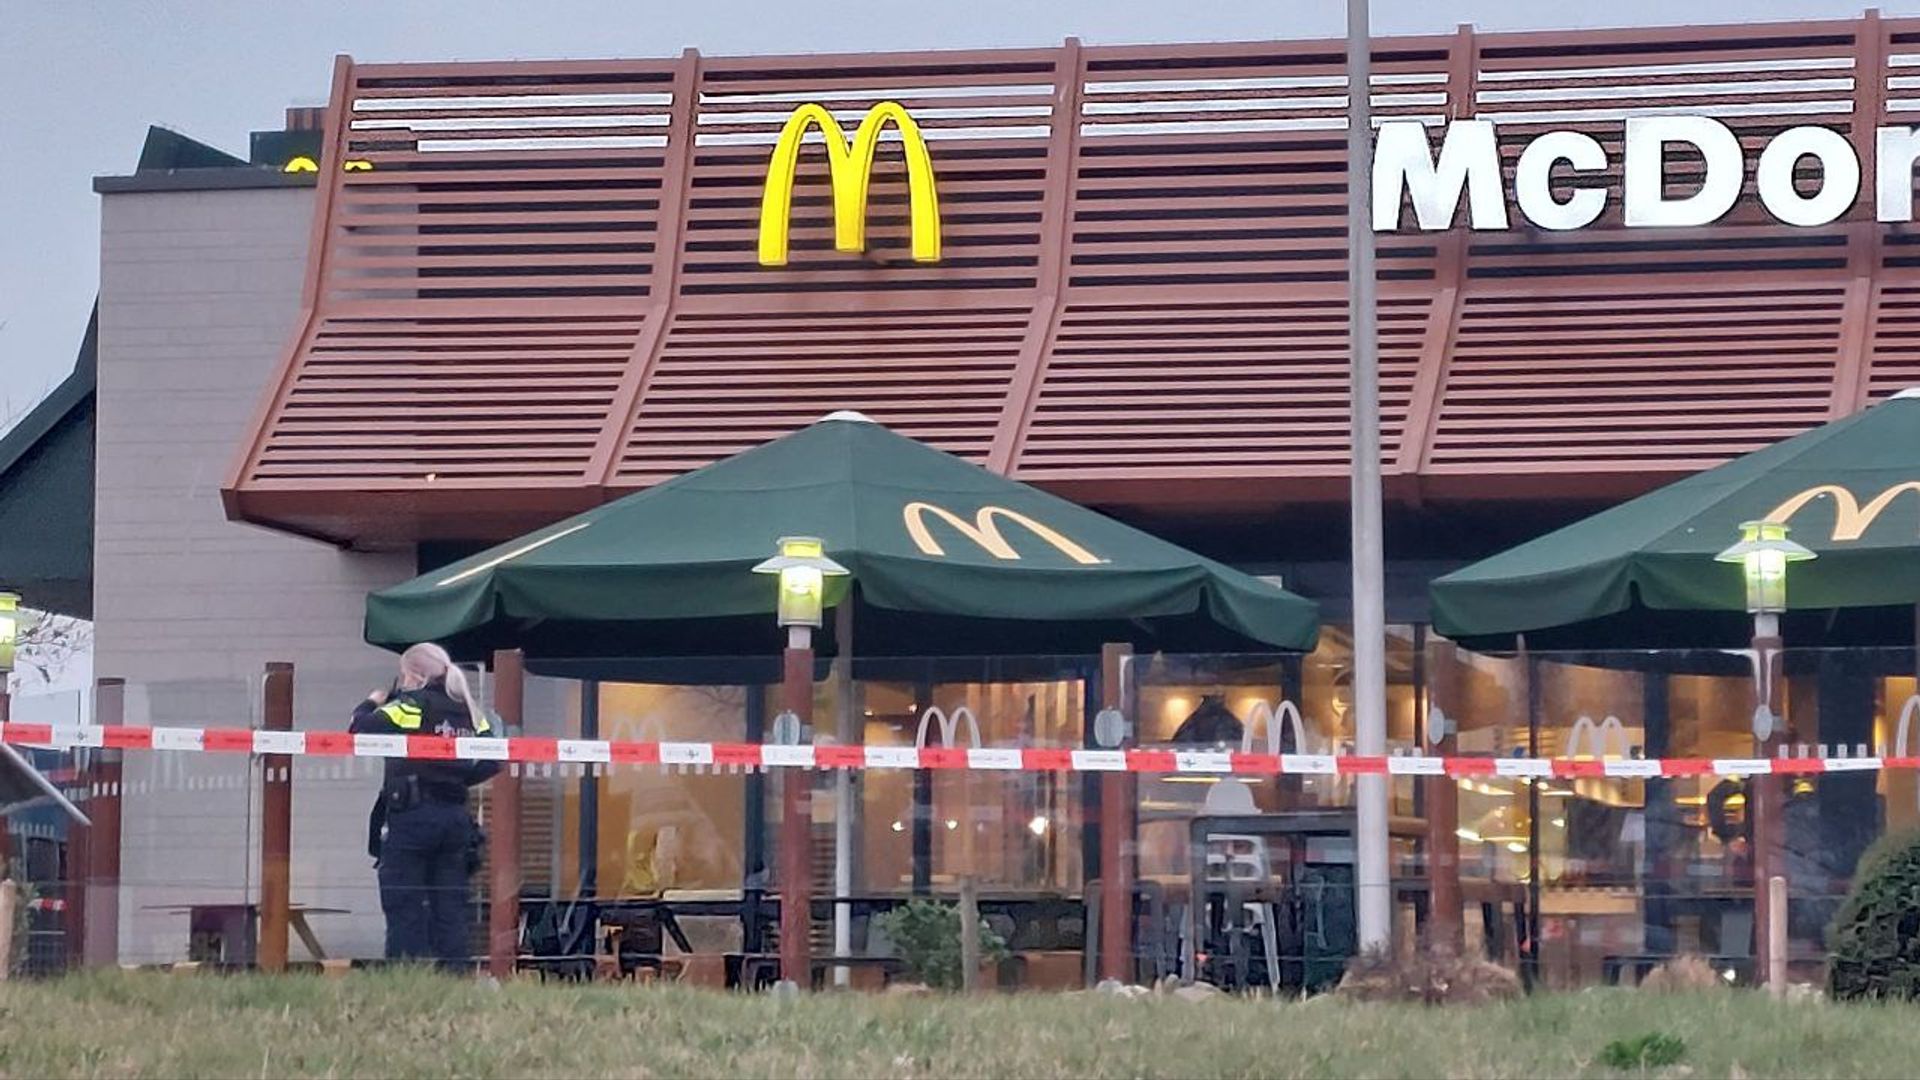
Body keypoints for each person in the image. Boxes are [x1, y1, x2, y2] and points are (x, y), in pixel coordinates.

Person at [351, 642, 500, 970]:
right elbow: (493, 760)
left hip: (413, 818)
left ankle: (406, 979)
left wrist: (373, 701)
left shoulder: (413, 704)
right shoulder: (471, 710)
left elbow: (359, 730)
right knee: (450, 907)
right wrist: (457, 781)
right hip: (455, 820)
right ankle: (455, 978)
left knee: (404, 903)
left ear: (412, 674)